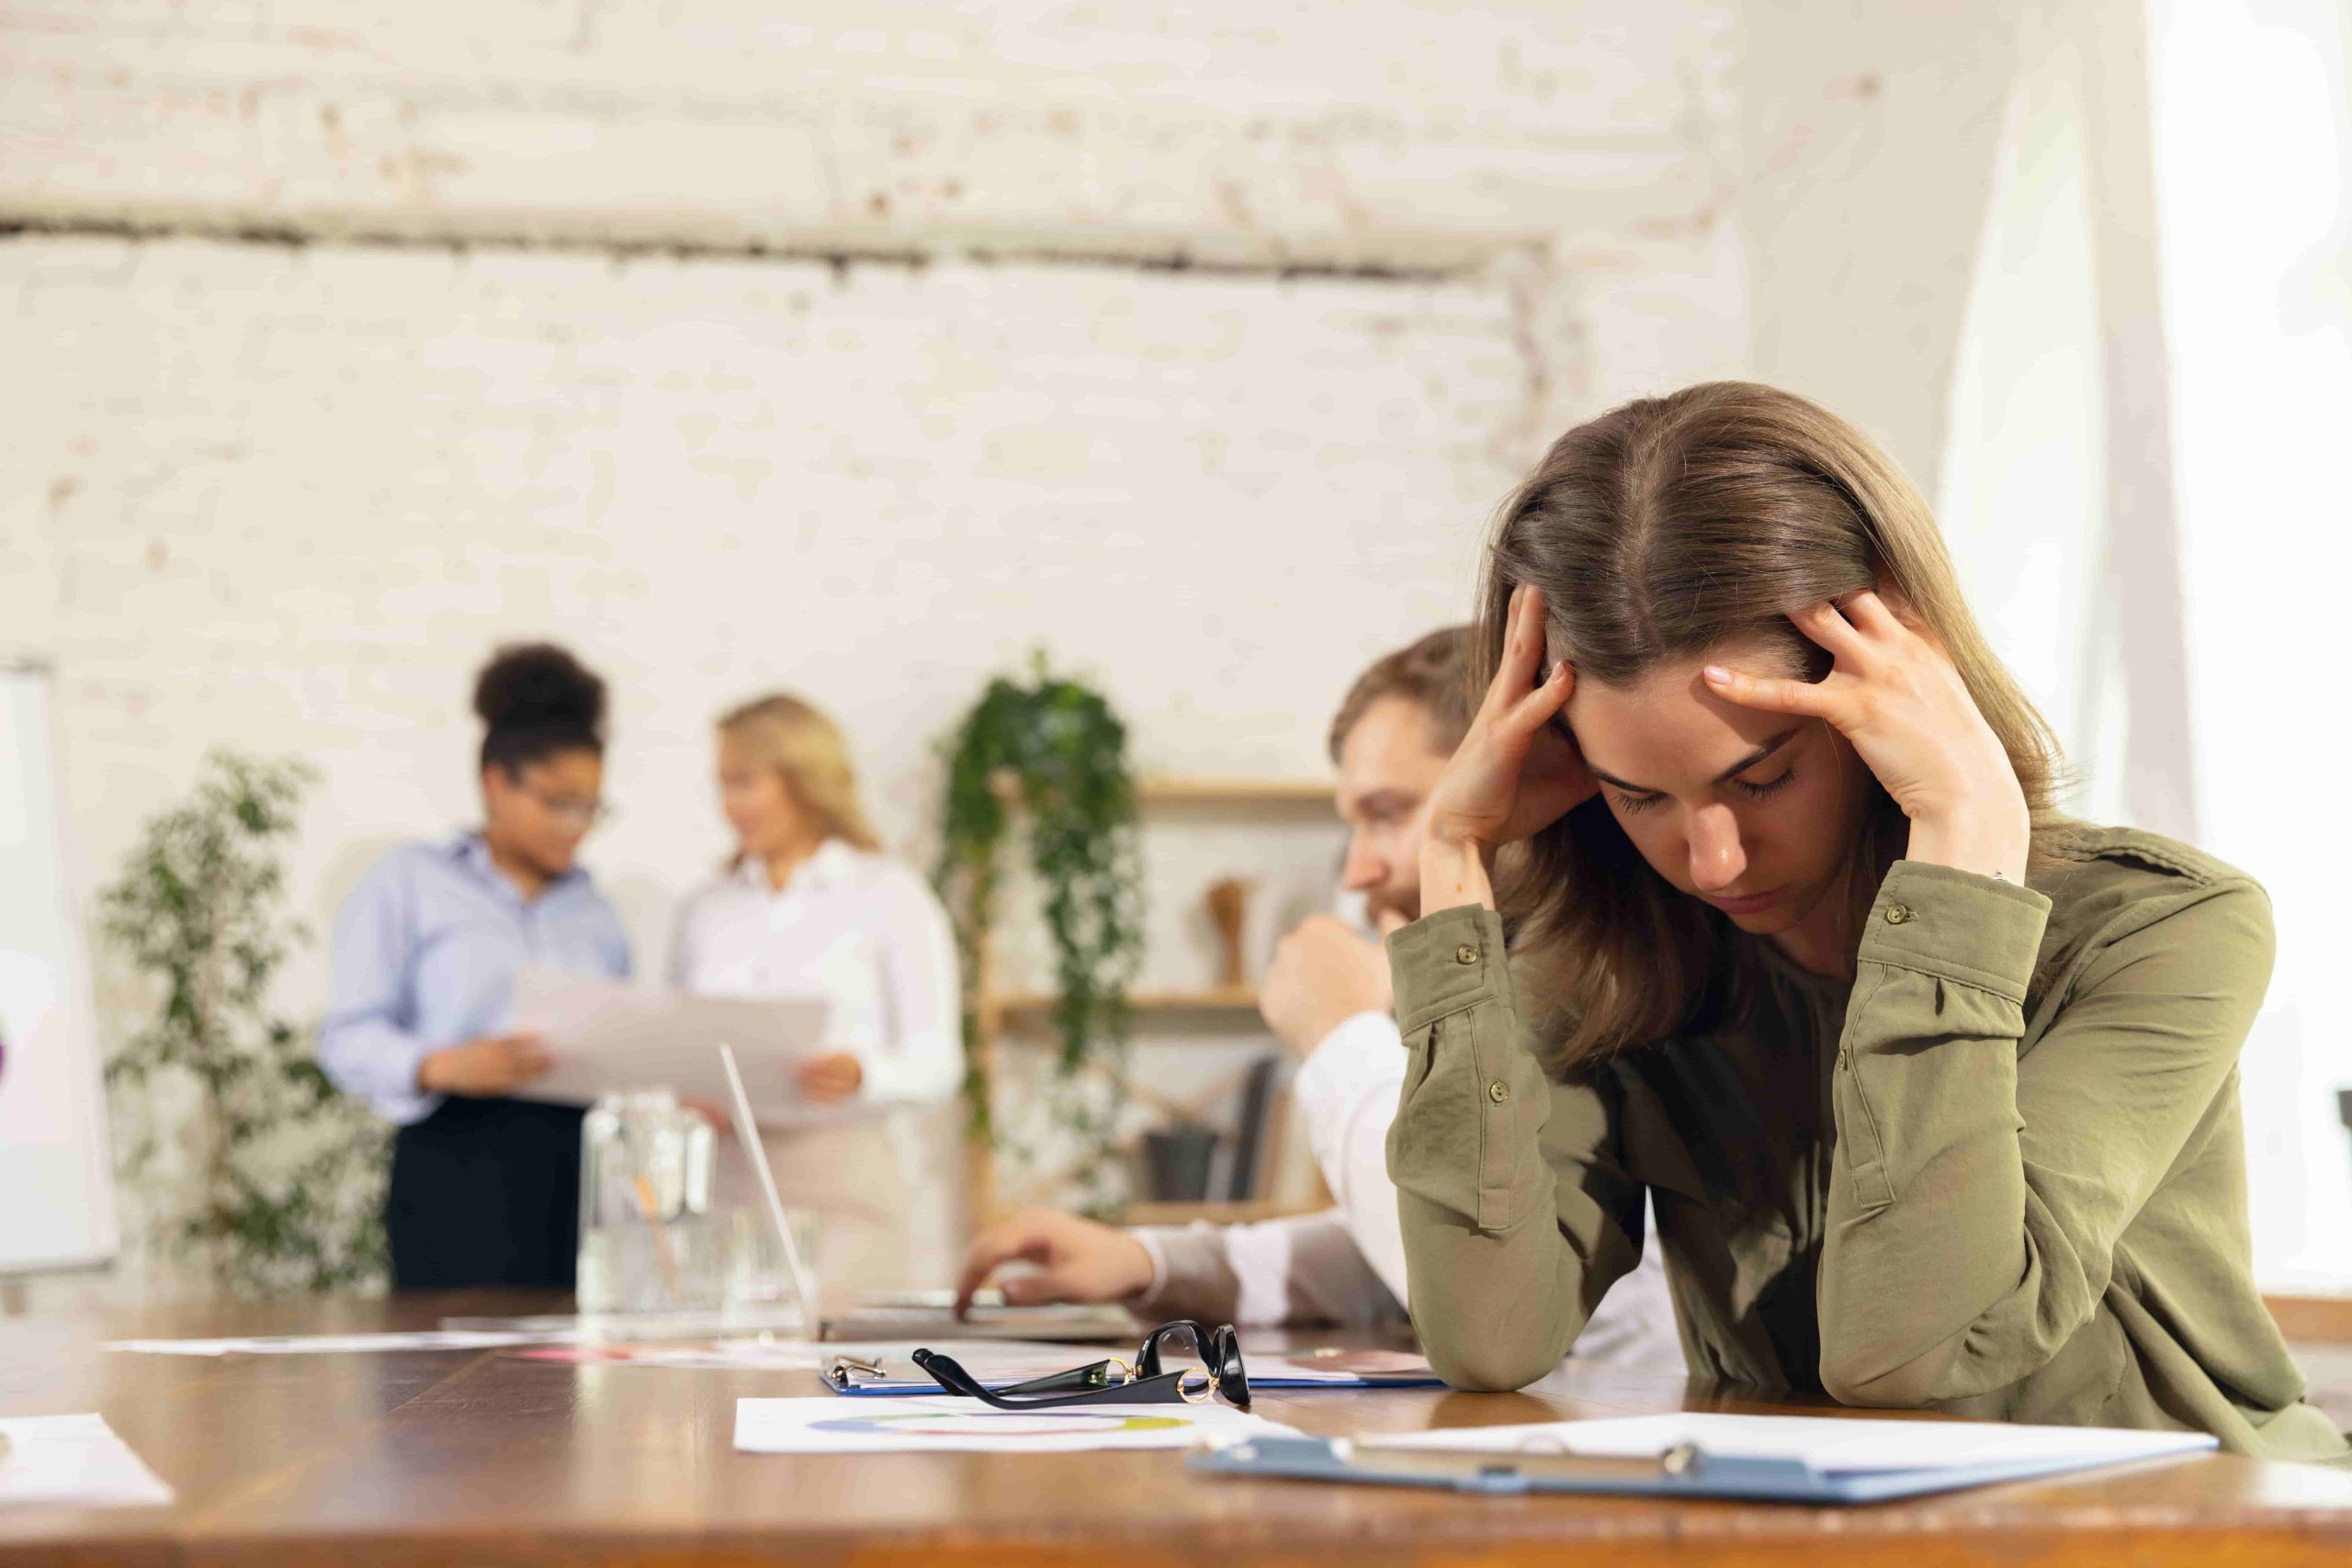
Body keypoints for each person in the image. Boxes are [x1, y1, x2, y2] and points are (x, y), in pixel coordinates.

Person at [1390, 380, 2346, 1461]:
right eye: (1639, 797)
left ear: (1894, 682)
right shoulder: (1612, 967)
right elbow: (1487, 1334)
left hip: (2201, 1536)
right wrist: (1450, 861)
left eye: (1763, 778)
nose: (1713, 861)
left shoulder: (2165, 931)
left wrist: (1960, 848)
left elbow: (1910, 1350)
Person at [956, 630, 1681, 1371]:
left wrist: (1342, 1039)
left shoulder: (1616, 987)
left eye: (1389, 814)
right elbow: (1442, 1230)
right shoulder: (1517, 972)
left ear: (1519, 779)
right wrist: (1155, 1261)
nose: (1359, 869)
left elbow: (1517, 1301)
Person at [321, 643, 631, 1289]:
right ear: (496, 782)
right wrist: (440, 1063)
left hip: (577, 1176)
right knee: (450, 1380)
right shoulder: (408, 882)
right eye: (559, 801)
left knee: (582, 1376)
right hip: (457, 1166)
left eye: (590, 806)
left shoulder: (595, 909)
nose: (577, 825)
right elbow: (345, 1034)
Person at [671, 693, 961, 1298]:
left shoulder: (888, 893)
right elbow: (685, 1039)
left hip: (844, 1181)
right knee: (712, 1382)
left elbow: (941, 1061)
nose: (730, 804)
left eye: (745, 782)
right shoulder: (706, 908)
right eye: (722, 783)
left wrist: (863, 1074)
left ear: (804, 780)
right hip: (727, 1182)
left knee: (837, 1377)